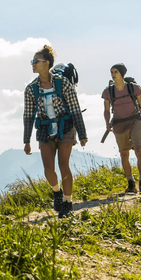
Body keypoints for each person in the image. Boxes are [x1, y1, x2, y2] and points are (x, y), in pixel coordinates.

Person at [23, 45, 88, 218]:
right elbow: (28, 116)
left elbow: (75, 109)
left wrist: (82, 134)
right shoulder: (31, 89)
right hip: (44, 128)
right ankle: (57, 192)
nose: (33, 64)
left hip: (66, 126)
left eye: (36, 61)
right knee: (48, 169)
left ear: (47, 63)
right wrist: (26, 140)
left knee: (63, 165)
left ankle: (68, 202)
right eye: (32, 61)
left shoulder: (63, 83)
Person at [102, 63, 141, 193]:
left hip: (135, 121)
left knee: (138, 149)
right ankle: (130, 182)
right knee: (124, 153)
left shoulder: (134, 88)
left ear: (122, 73)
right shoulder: (108, 91)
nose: (113, 74)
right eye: (112, 72)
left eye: (115, 72)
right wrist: (107, 122)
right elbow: (106, 110)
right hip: (119, 124)